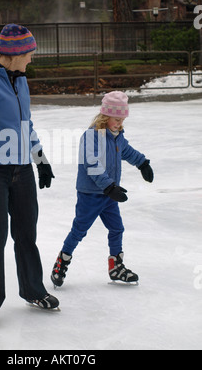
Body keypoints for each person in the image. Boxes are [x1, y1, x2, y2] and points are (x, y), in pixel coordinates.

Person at [0, 24, 59, 323]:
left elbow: (25, 125)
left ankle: (33, 290)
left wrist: (40, 159)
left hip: (22, 171)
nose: (31, 58)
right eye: (29, 53)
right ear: (15, 54)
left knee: (26, 234)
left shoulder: (21, 81)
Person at [51, 91, 154, 287]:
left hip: (109, 194)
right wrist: (108, 186)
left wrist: (142, 163)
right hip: (91, 194)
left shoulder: (117, 136)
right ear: (105, 116)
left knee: (117, 228)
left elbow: (128, 151)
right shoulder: (92, 136)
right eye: (116, 119)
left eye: (123, 119)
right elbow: (92, 165)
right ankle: (62, 261)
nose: (120, 123)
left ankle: (116, 266)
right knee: (79, 230)